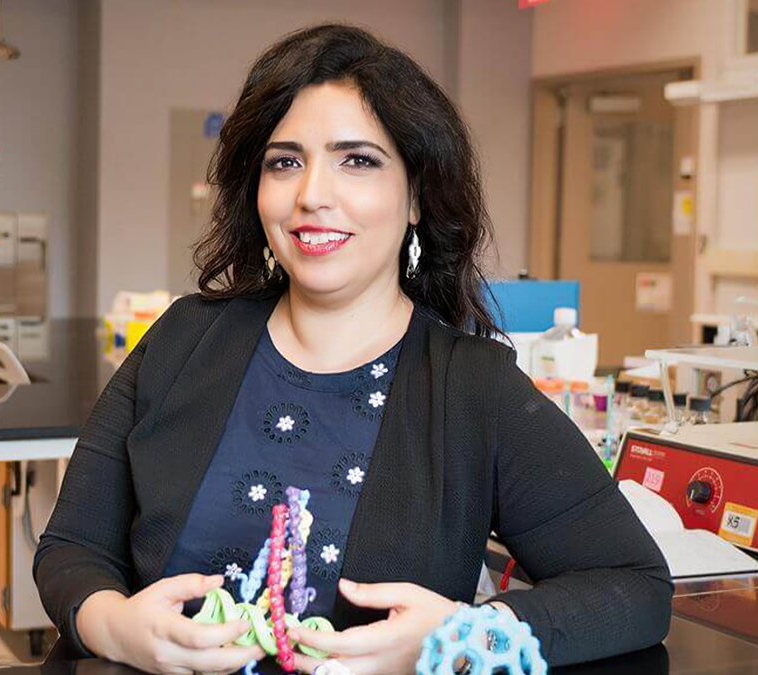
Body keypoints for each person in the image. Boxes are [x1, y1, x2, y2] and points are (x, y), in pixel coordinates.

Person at [35, 23, 671, 675]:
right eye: (285, 161)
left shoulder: (473, 388)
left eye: (357, 160)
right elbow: (71, 547)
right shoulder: (183, 340)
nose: (312, 194)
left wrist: (463, 635)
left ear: (417, 194)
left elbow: (634, 587)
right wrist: (112, 625)